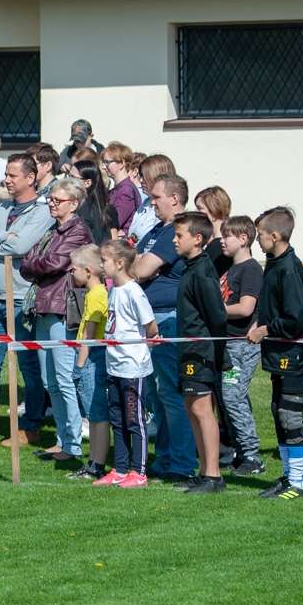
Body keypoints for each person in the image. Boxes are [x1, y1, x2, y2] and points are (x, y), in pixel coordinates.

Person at [0, 154, 51, 444]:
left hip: (20, 299)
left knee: (29, 365)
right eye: (6, 175)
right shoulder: (3, 208)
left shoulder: (42, 212)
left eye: (13, 175)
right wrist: (6, 236)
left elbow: (22, 245)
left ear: (31, 178)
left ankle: (30, 426)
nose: (7, 180)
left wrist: (1, 238)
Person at [21, 177, 93, 462]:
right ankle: (63, 440)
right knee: (50, 381)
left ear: (73, 204)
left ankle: (73, 444)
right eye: (50, 198)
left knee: (63, 379)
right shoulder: (54, 230)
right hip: (44, 307)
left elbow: (53, 263)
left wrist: (34, 263)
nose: (51, 202)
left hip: (62, 310)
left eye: (57, 200)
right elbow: (29, 259)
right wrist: (34, 263)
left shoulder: (78, 231)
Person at [246, 207, 303, 499]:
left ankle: (299, 482)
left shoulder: (289, 267)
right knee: (278, 412)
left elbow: (296, 319)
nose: (256, 240)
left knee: (290, 415)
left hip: (293, 353)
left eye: (260, 235)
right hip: (277, 352)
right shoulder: (275, 262)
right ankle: (288, 477)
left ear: (275, 236)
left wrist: (265, 329)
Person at [131, 171, 193, 479]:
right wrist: (141, 264)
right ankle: (166, 458)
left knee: (171, 393)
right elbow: (132, 261)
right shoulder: (158, 229)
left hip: (169, 319)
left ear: (174, 198)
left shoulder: (176, 231)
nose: (151, 202)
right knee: (157, 394)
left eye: (156, 197)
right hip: (152, 319)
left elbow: (139, 270)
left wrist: (143, 266)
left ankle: (181, 463)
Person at [171, 211, 229, 494]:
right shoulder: (190, 267)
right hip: (188, 348)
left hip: (201, 349)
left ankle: (214, 476)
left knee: (203, 409)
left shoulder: (204, 270)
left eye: (179, 235)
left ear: (197, 239)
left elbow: (216, 315)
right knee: (190, 407)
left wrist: (217, 351)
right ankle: (205, 471)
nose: (174, 240)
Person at [101, 239, 158, 487]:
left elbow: (151, 326)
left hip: (133, 366)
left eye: (104, 261)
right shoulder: (114, 290)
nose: (101, 265)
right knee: (118, 419)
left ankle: (139, 471)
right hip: (114, 365)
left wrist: (147, 343)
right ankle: (120, 468)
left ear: (120, 263)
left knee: (134, 420)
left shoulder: (134, 292)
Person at [218, 215, 264, 474]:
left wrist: (216, 311)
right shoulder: (230, 269)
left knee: (233, 397)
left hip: (242, 344)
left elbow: (246, 308)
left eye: (227, 236)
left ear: (244, 239)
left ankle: (252, 456)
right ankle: (239, 451)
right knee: (228, 399)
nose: (222, 241)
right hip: (228, 344)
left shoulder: (250, 269)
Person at [65, 244, 112, 481]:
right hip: (90, 357)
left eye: (74, 269)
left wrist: (80, 366)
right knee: (93, 414)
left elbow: (89, 334)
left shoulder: (96, 295)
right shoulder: (96, 293)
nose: (71, 273)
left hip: (92, 358)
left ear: (88, 270)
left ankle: (97, 465)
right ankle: (92, 461)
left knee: (98, 413)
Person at [99, 144, 143, 234]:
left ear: (122, 163)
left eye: (107, 162)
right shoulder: (118, 188)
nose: (104, 167)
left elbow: (113, 223)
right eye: (103, 162)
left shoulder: (126, 191)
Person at [72, 160, 118, 243]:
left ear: (87, 183)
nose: (68, 181)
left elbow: (114, 243)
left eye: (73, 178)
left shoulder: (108, 210)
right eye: (68, 176)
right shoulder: (70, 206)